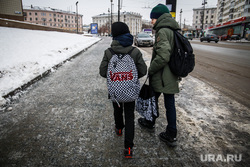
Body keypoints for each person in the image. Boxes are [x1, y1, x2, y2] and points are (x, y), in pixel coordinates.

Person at [99, 22, 147, 158]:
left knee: (117, 109)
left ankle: (119, 128)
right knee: (130, 116)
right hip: (131, 90)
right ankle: (128, 148)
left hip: (115, 90)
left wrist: (116, 75)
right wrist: (130, 77)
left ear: (114, 35)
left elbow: (103, 72)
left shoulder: (109, 52)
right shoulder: (135, 51)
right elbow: (143, 71)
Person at [137, 4, 180, 147]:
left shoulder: (162, 32)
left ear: (159, 18)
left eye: (153, 19)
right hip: (171, 74)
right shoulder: (173, 30)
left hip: (162, 75)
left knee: (154, 99)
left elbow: (163, 56)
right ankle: (171, 132)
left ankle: (151, 123)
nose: (151, 22)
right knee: (169, 103)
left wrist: (151, 69)